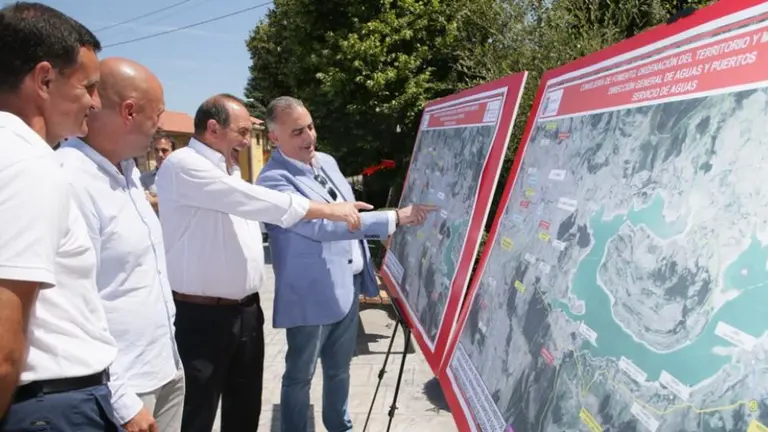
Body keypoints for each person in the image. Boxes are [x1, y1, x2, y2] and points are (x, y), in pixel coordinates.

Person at [155, 93, 375, 432]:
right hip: (203, 317)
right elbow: (256, 201)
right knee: (198, 412)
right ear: (214, 128)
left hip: (244, 313)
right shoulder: (185, 164)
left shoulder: (228, 168)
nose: (247, 140)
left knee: (244, 410)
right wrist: (327, 209)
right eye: (242, 132)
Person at [256, 96, 436, 432]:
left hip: (348, 284)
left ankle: (340, 425)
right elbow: (322, 226)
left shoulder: (325, 161)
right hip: (311, 294)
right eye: (297, 132)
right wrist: (393, 218)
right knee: (300, 375)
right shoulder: (273, 182)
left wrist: (364, 221)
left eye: (310, 126)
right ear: (275, 138)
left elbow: (342, 208)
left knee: (340, 368)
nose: (309, 137)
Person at [0, 3, 123, 430]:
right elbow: (4, 345)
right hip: (49, 409)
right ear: (44, 78)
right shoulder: (26, 163)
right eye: (88, 86)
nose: (94, 102)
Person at [56, 57, 184, 432]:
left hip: (164, 370)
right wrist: (122, 399)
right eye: (157, 114)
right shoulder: (71, 181)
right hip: (121, 394)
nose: (160, 126)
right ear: (129, 111)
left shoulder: (127, 175)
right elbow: (70, 306)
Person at [141, 132, 175, 212]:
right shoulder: (144, 179)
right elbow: (143, 204)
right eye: (156, 150)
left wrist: (154, 200)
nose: (160, 154)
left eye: (164, 150)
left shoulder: (181, 176)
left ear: (173, 151)